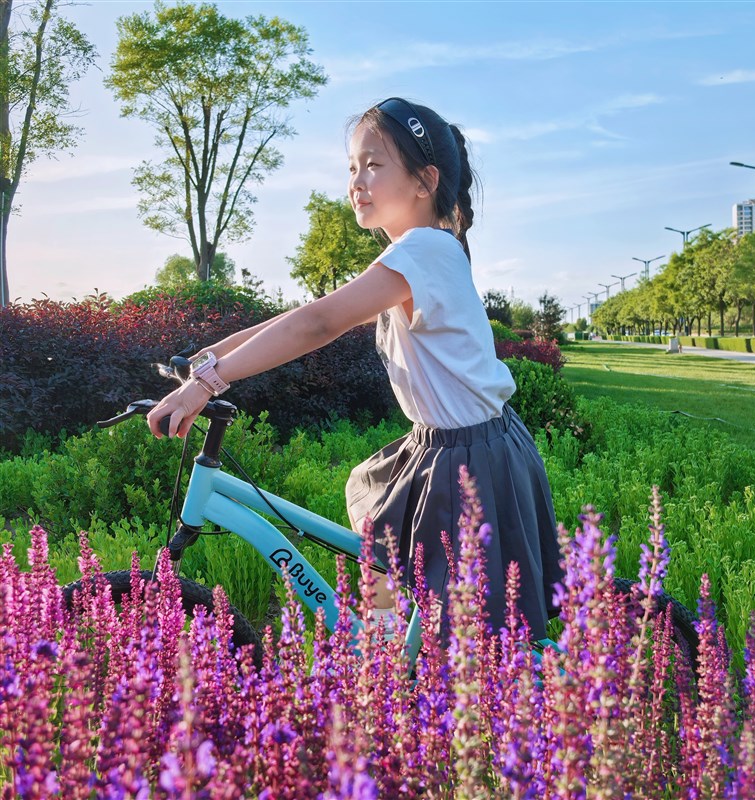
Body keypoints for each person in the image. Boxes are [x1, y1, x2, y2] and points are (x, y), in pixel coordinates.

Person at [146, 97, 563, 640]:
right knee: (370, 505)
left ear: (423, 181)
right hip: (443, 445)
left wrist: (210, 381)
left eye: (373, 164)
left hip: (469, 459)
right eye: (351, 168)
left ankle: (416, 671)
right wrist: (211, 357)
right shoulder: (419, 254)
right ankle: (388, 647)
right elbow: (302, 316)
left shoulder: (425, 252)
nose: (357, 181)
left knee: (466, 639)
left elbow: (320, 323)